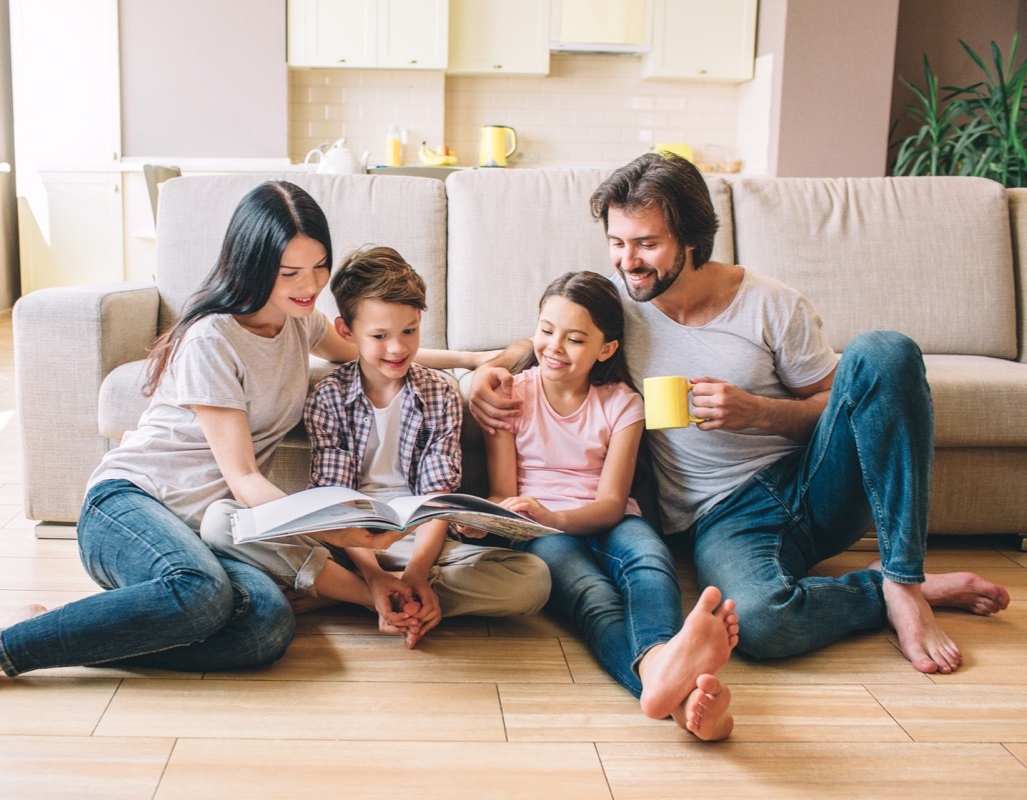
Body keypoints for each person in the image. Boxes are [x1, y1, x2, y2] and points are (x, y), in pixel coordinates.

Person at [0, 181, 412, 723]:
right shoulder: (213, 337)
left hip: (202, 530)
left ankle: (46, 632)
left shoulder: (300, 322)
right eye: (289, 271)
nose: (309, 284)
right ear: (253, 264)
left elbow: (378, 350)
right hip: (128, 505)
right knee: (203, 597)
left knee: (265, 627)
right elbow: (244, 482)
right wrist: (340, 532)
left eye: (318, 266)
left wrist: (480, 363)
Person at [470, 153, 1010, 676]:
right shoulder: (626, 302)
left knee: (884, 351)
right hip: (724, 515)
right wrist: (489, 370)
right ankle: (878, 591)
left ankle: (904, 581)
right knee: (759, 623)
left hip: (811, 486)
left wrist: (760, 413)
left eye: (646, 243)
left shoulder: (772, 306)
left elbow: (842, 405)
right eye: (616, 242)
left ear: (692, 240)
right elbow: (550, 333)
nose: (627, 260)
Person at [213, 245, 551, 649]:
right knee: (221, 522)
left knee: (533, 580)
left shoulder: (440, 393)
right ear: (345, 331)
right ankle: (373, 594)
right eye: (379, 336)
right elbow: (334, 503)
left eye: (409, 331)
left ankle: (355, 595)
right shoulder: (328, 398)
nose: (398, 348)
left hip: (419, 544)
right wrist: (373, 576)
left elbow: (437, 499)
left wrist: (417, 575)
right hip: (345, 544)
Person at [478, 270, 738, 740]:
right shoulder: (511, 396)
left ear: (607, 349)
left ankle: (662, 669)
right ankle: (677, 697)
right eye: (546, 330)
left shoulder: (623, 404)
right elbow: (501, 491)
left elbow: (613, 504)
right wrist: (506, 515)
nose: (554, 347)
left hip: (599, 519)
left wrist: (556, 516)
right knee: (593, 597)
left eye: (575, 339)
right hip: (541, 533)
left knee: (650, 559)